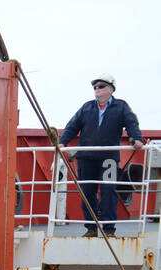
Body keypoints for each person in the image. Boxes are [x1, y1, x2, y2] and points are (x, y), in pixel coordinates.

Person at [59, 72, 145, 237]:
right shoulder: (87, 107)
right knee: (87, 192)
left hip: (109, 158)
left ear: (111, 89)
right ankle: (91, 228)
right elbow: (72, 125)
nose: (97, 89)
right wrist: (63, 142)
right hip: (86, 158)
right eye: (95, 87)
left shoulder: (121, 106)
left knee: (108, 192)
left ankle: (108, 230)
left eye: (101, 86)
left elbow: (131, 123)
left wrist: (136, 139)